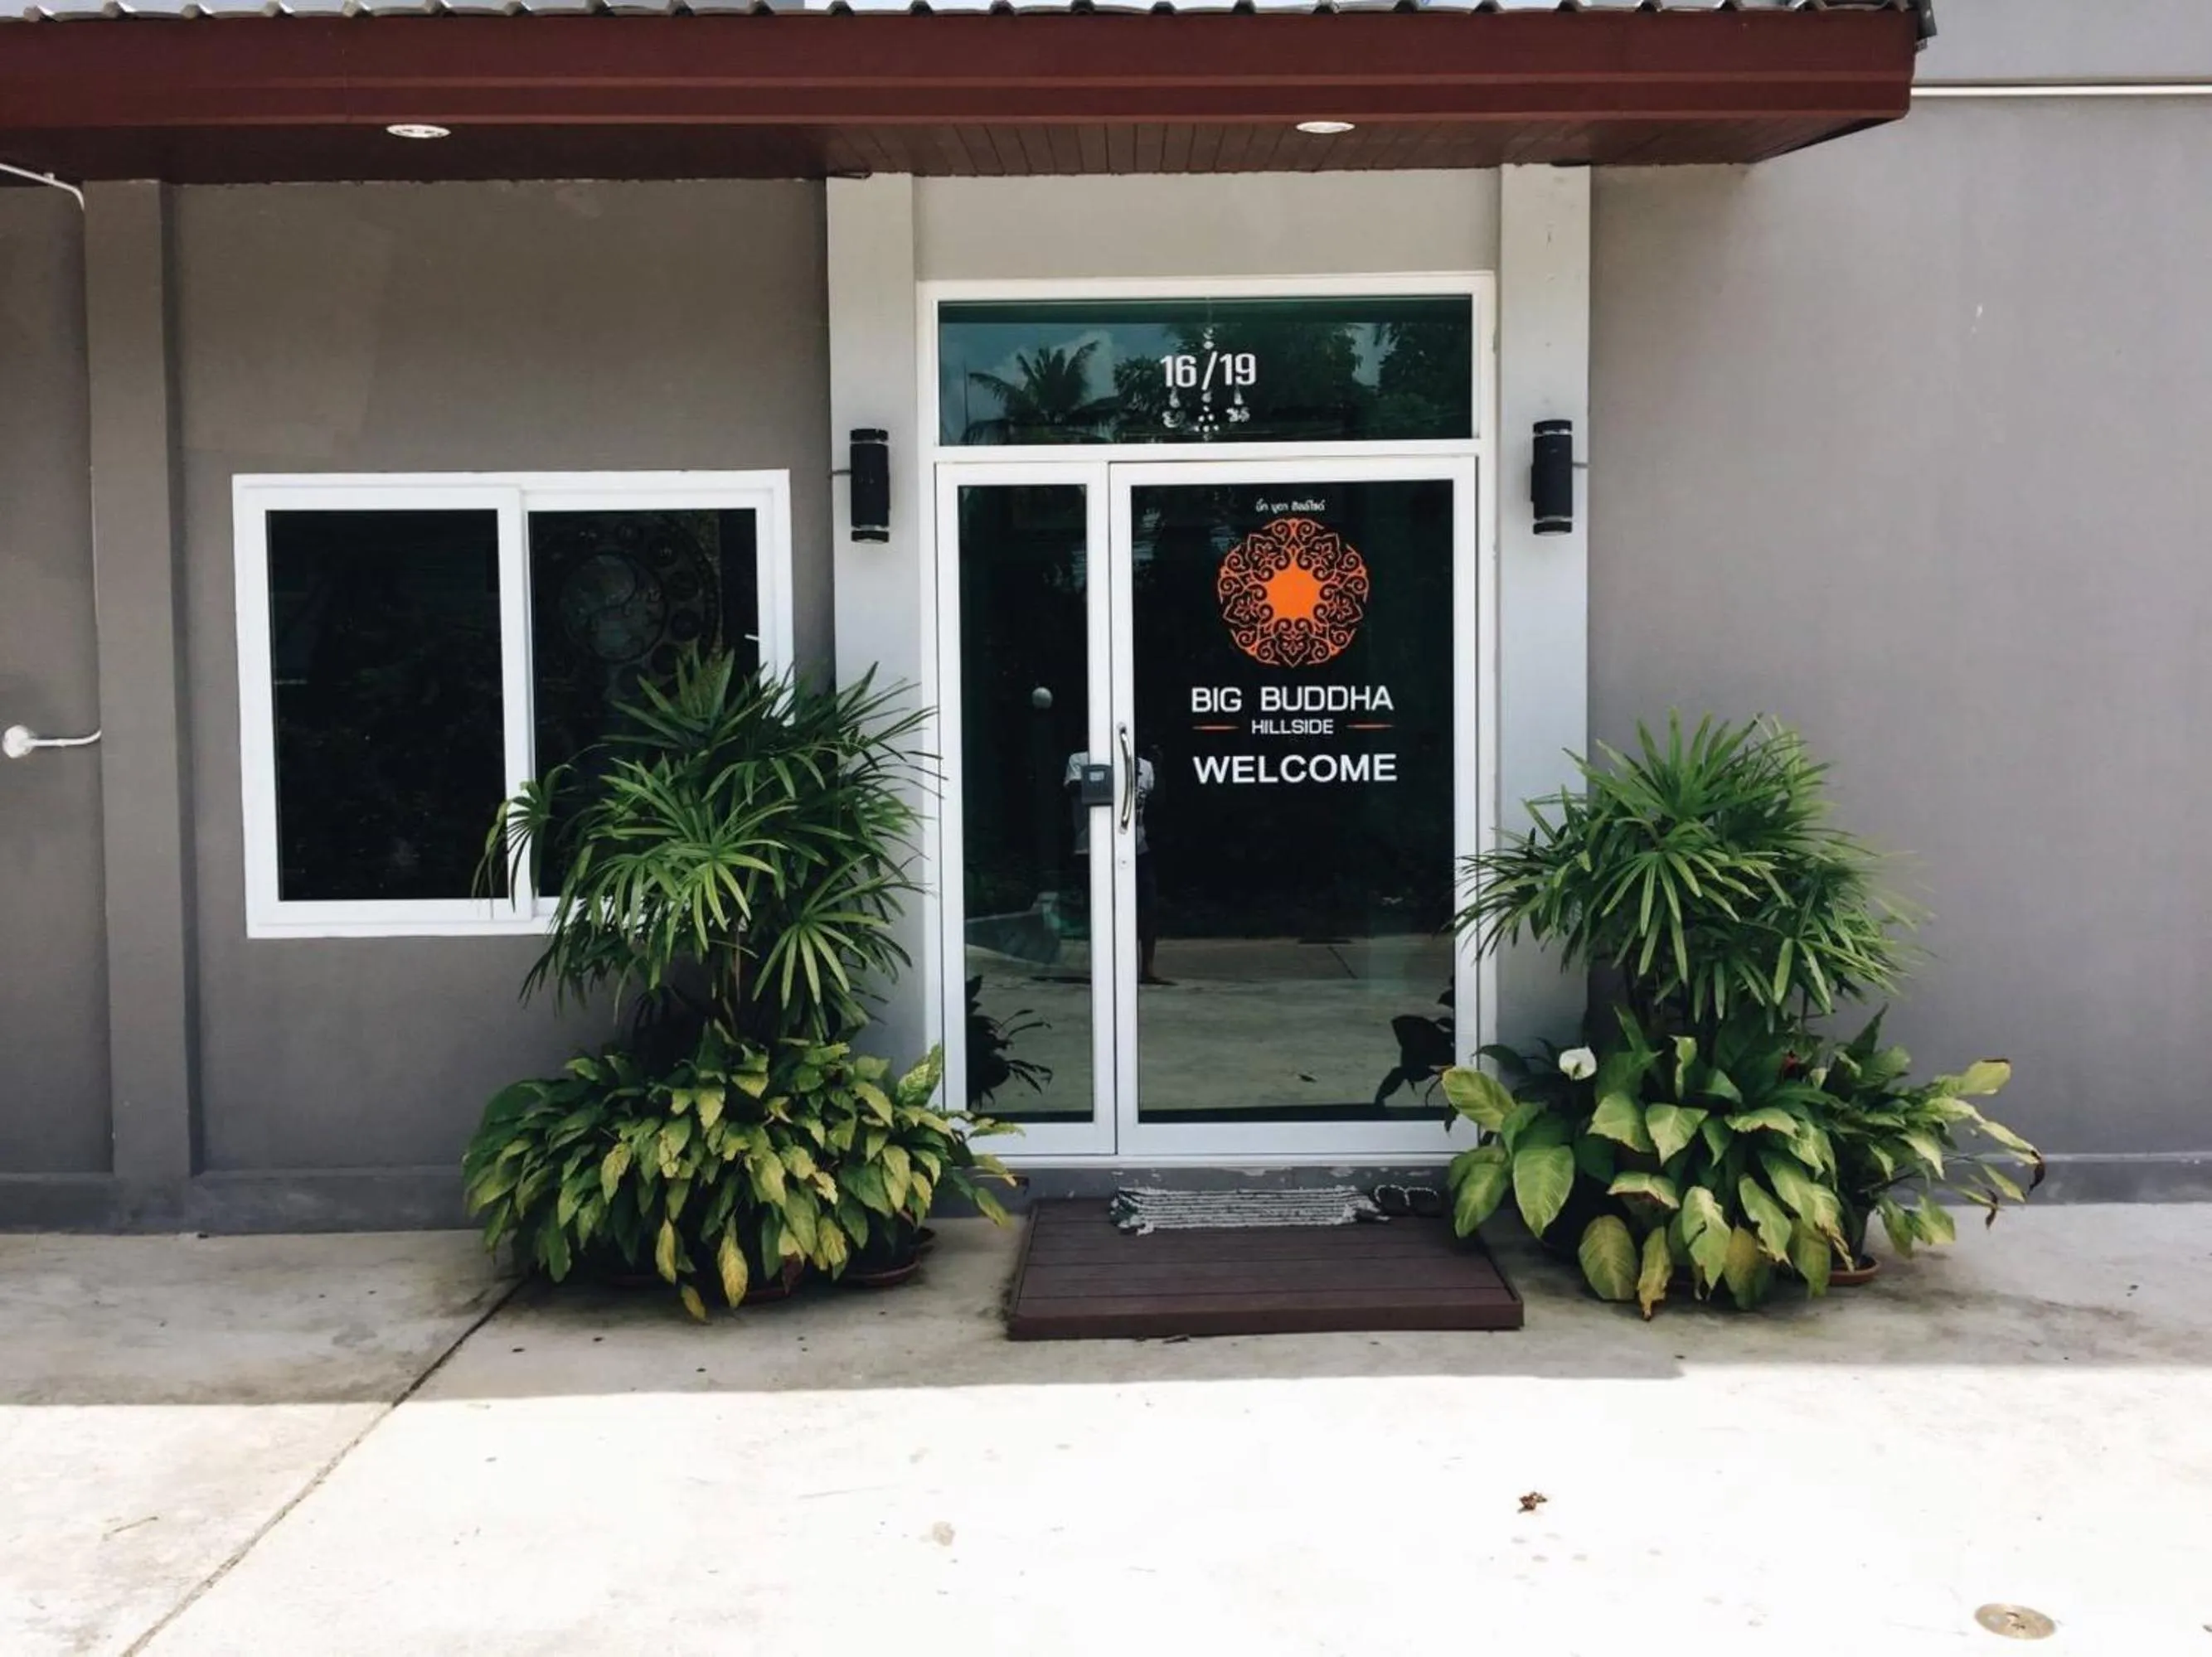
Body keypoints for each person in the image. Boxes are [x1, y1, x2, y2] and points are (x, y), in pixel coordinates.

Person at [1064, 747, 1169, 985]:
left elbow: (1155, 799)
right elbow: (1072, 788)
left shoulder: (1143, 765)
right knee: (1101, 909)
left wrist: (1156, 769)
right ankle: (1104, 966)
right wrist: (1113, 777)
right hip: (1093, 847)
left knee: (1148, 906)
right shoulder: (1081, 759)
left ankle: (1147, 968)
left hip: (1135, 846)